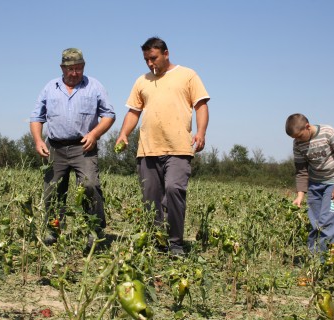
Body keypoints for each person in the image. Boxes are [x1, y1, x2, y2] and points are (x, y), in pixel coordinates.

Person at [116, 37, 210, 257]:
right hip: (148, 149)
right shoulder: (142, 81)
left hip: (178, 147)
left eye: (154, 58)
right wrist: (123, 133)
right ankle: (158, 241)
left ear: (166, 53)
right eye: (147, 59)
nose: (150, 63)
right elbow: (134, 112)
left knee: (174, 189)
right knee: (151, 198)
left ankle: (176, 243)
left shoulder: (187, 75)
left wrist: (201, 132)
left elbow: (201, 105)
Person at [30, 48, 115, 247]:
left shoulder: (94, 86)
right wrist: (38, 140)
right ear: (62, 68)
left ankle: (94, 229)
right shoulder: (50, 87)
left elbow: (109, 114)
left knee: (89, 186)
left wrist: (94, 134)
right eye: (70, 69)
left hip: (83, 147)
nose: (74, 73)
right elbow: (36, 117)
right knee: (52, 189)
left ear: (83, 67)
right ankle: (53, 230)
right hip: (55, 147)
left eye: (78, 68)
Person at [285, 113, 334, 255]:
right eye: (294, 138)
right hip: (315, 185)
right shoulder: (297, 143)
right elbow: (301, 170)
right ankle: (320, 258)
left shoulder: (328, 133)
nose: (297, 140)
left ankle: (321, 261)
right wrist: (300, 195)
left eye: (300, 136)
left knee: (328, 223)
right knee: (315, 223)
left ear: (307, 127)